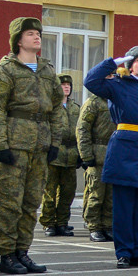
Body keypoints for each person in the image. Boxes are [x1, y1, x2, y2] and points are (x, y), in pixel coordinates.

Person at [0, 17, 64, 275]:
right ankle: (7, 254)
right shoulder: (6, 70)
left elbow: (55, 108)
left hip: (39, 146)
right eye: (30, 33)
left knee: (31, 202)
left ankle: (23, 251)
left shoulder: (46, 70)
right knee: (9, 202)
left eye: (38, 33)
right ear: (18, 40)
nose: (36, 37)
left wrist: (54, 140)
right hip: (14, 144)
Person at [84, 46, 138, 267]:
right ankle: (123, 252)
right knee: (123, 206)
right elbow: (90, 81)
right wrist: (112, 63)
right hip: (126, 148)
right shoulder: (119, 85)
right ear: (130, 66)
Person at [41, 73, 82, 237]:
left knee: (68, 192)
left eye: (69, 85)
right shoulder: (51, 106)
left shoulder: (75, 108)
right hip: (54, 153)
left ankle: (62, 222)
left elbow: (80, 131)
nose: (66, 87)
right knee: (50, 191)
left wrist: (80, 153)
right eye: (63, 85)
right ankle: (49, 223)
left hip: (71, 154)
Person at [77, 88, 115, 242]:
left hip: (113, 153)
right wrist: (86, 155)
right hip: (97, 155)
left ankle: (107, 225)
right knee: (96, 193)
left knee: (111, 195)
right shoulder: (93, 103)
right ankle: (94, 225)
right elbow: (82, 129)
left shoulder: (117, 100)